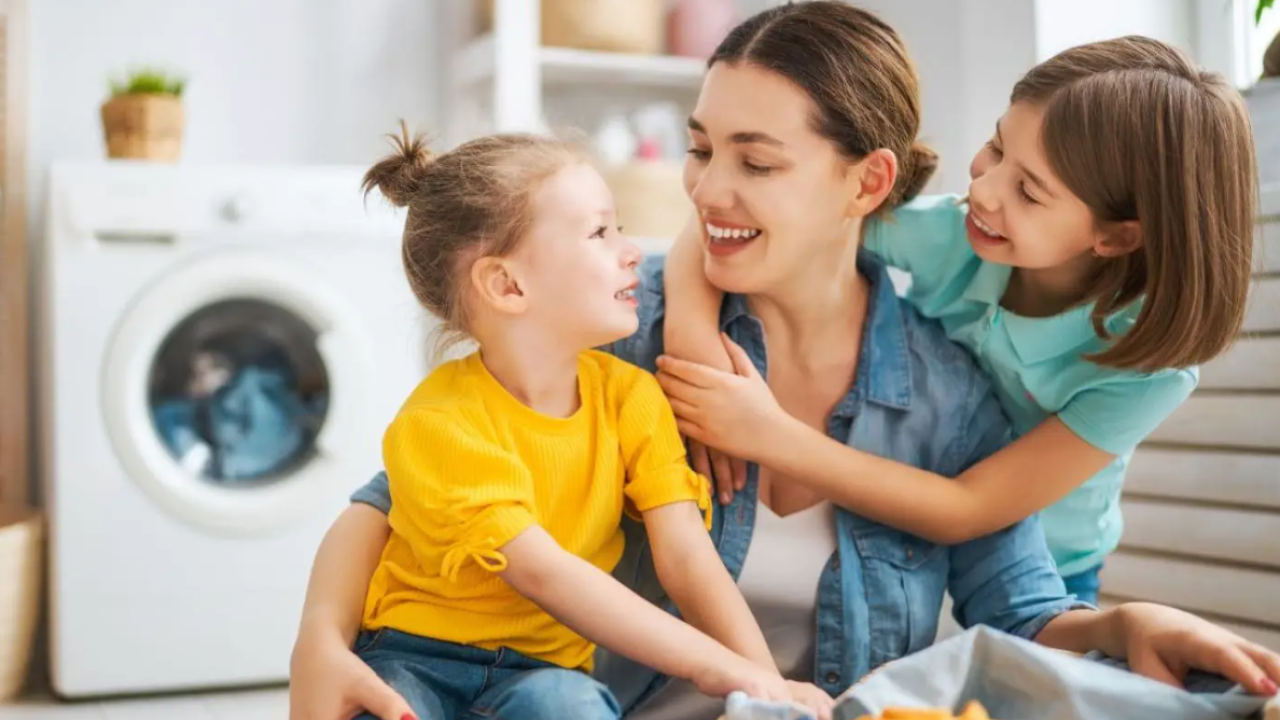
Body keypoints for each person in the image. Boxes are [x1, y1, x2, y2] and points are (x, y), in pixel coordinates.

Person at [288, 5, 1280, 720]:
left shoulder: (946, 399)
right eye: (699, 147)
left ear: (867, 182)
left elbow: (1017, 610)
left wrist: (1120, 625)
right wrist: (319, 649)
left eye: (756, 163)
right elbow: (398, 496)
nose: (707, 190)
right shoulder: (622, 342)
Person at [658, 33, 1258, 606]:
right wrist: (692, 337)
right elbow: (731, 217)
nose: (985, 190)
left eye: (1029, 191)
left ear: (1116, 234)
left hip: (1047, 560)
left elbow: (966, 509)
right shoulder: (949, 233)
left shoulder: (1149, 370)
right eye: (997, 147)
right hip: (905, 523)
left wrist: (769, 434)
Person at [335, 124, 832, 720]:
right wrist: (714, 667)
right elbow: (545, 576)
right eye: (600, 232)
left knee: (576, 709)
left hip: (546, 673)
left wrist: (761, 682)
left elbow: (686, 558)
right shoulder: (438, 423)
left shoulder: (631, 399)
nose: (631, 252)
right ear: (507, 284)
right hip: (412, 661)